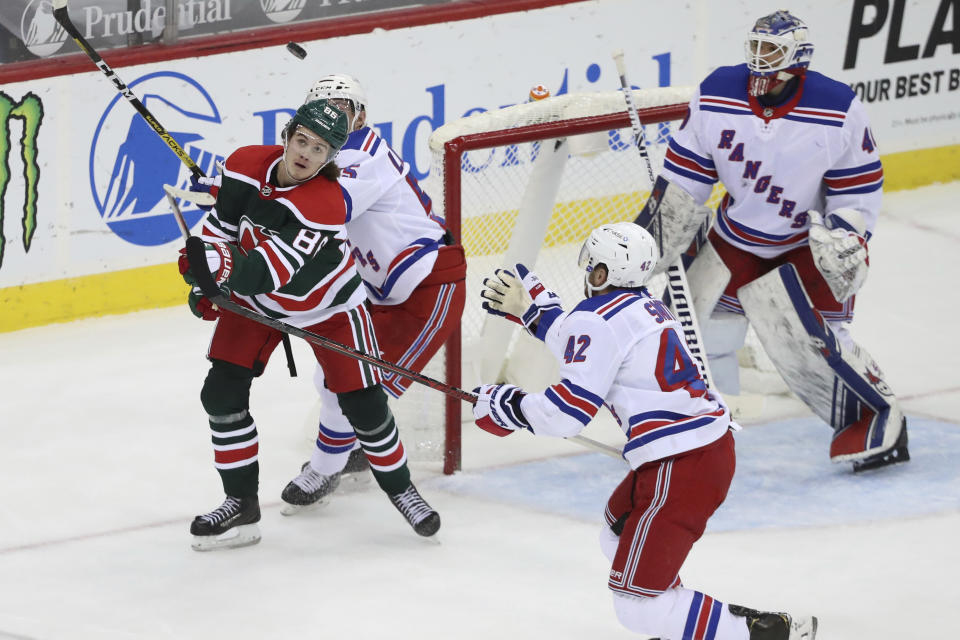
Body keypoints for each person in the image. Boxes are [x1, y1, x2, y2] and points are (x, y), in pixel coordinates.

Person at [472, 222, 818, 640]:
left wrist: (506, 405)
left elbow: (567, 413)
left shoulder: (599, 321)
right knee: (617, 533)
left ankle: (761, 633)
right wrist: (531, 309)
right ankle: (683, 622)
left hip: (681, 466)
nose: (587, 273)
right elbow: (581, 340)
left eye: (592, 267)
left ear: (602, 274)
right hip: (696, 455)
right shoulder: (646, 308)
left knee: (637, 607)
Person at [636, 10, 908, 472]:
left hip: (805, 244)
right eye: (756, 47)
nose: (760, 60)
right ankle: (703, 429)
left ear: (797, 57)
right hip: (737, 235)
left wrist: (847, 236)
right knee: (701, 335)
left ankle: (880, 419)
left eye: (772, 50)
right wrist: (653, 238)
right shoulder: (717, 92)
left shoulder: (836, 106)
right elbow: (686, 179)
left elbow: (856, 186)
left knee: (819, 344)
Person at [179, 99, 440, 551]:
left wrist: (217, 271)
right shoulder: (242, 164)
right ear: (287, 136)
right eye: (301, 141)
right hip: (257, 302)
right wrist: (201, 274)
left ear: (331, 158)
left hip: (328, 306)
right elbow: (218, 227)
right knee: (220, 392)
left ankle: (402, 489)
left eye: (319, 149)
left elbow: (267, 270)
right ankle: (240, 503)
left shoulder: (325, 203)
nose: (305, 154)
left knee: (364, 406)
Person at [277, 74, 466, 512]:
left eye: (342, 109)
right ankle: (355, 450)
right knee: (334, 378)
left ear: (360, 116)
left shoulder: (364, 154)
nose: (333, 118)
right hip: (379, 291)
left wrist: (253, 198)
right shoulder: (325, 157)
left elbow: (324, 208)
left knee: (356, 389)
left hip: (427, 289)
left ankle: (324, 470)